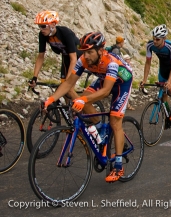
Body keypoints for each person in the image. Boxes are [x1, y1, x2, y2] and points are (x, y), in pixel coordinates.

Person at [43, 31, 133, 182]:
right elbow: (68, 84)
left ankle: (118, 167)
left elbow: (105, 91)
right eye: (84, 52)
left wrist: (83, 99)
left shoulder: (111, 62)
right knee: (82, 99)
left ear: (100, 51)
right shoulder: (83, 60)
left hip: (122, 83)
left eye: (90, 52)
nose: (86, 56)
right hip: (104, 79)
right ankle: (99, 126)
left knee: (115, 121)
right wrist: (50, 99)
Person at [29, 11, 80, 102]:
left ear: (52, 24)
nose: (41, 29)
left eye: (43, 26)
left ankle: (84, 112)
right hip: (66, 58)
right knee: (62, 89)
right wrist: (35, 77)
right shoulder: (43, 35)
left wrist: (68, 83)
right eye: (39, 26)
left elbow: (73, 58)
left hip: (78, 57)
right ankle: (70, 114)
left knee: (68, 89)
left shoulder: (65, 32)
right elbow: (41, 56)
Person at [140, 24, 171, 121]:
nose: (154, 41)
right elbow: (148, 63)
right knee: (163, 95)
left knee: (170, 89)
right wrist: (144, 80)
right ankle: (167, 116)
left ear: (164, 38)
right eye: (154, 38)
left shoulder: (170, 47)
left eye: (157, 39)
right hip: (162, 69)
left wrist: (170, 81)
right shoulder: (150, 45)